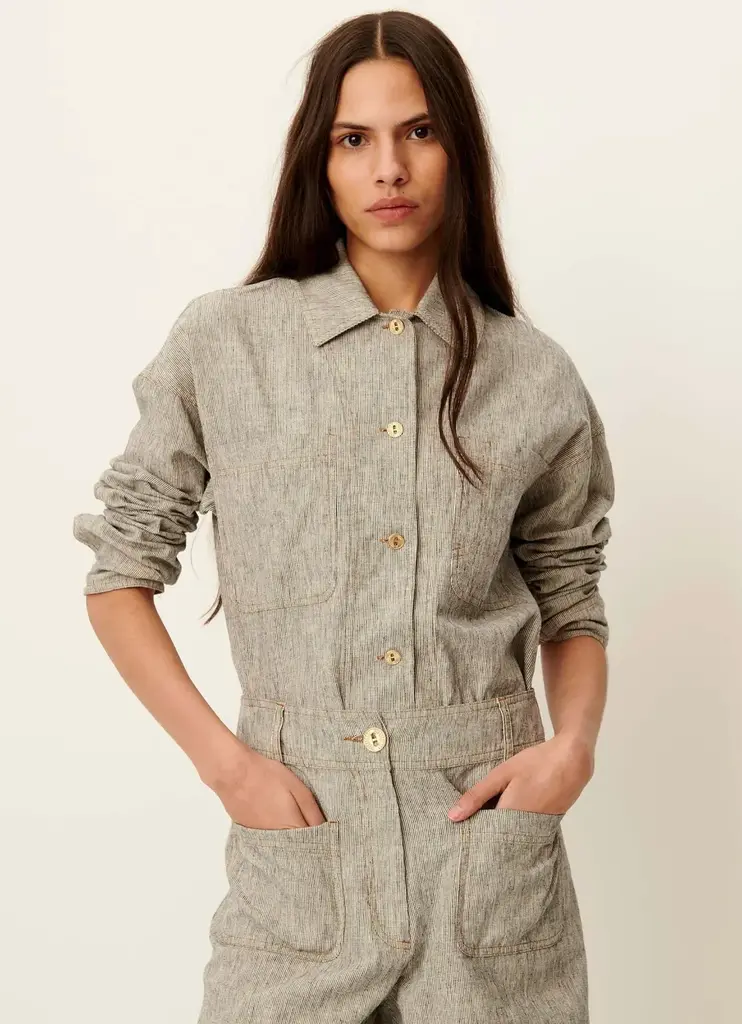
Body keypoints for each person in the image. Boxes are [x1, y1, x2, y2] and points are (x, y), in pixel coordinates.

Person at [72, 10, 615, 1024]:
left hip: (485, 864)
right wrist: (227, 766)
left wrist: (571, 748)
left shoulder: (533, 373)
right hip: (299, 864)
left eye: (419, 132)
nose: (388, 168)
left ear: (459, 149)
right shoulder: (226, 343)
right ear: (316, 163)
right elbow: (119, 577)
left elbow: (570, 595)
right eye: (353, 139)